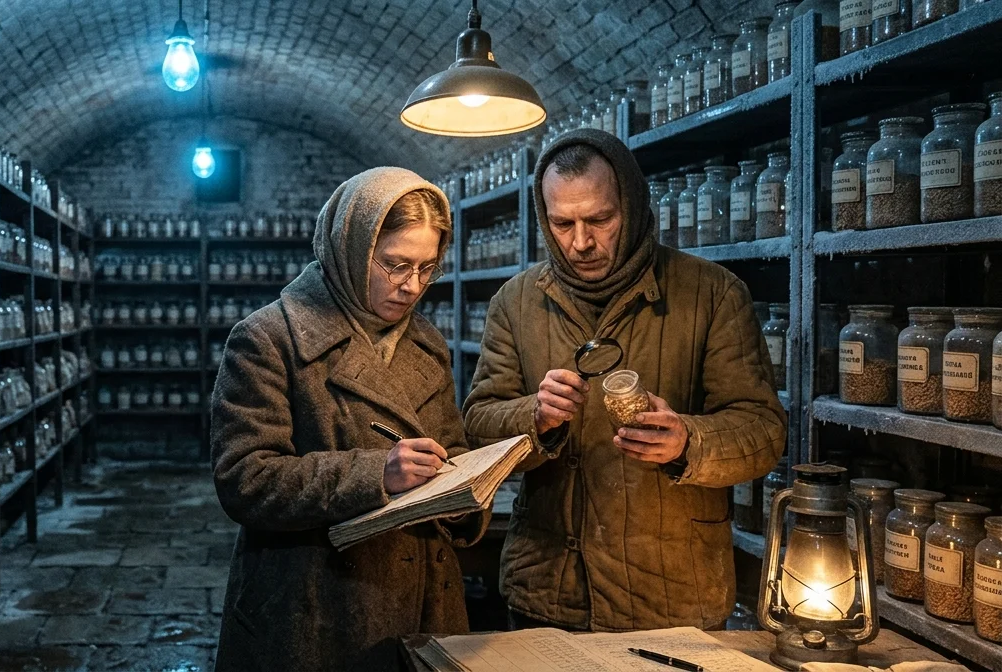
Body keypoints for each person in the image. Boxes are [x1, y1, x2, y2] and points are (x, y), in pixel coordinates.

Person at [462, 129, 785, 632]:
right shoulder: (515, 302)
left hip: (671, 597)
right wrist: (534, 417)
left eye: (600, 219)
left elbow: (763, 430)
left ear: (630, 205)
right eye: (562, 223)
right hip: (547, 590)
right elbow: (478, 425)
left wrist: (688, 441)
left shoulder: (713, 293)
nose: (581, 242)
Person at [210, 167, 489, 672]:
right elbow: (245, 478)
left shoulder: (427, 343)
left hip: (423, 597)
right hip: (313, 608)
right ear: (351, 249)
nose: (411, 286)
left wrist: (463, 496)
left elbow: (452, 449)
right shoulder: (269, 339)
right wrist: (376, 474)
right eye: (396, 265)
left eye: (427, 268)